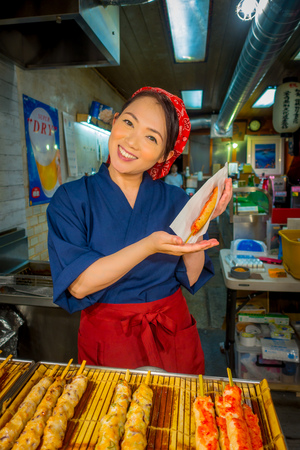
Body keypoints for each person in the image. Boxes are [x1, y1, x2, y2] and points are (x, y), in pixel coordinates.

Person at [47, 86, 232, 375]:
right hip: (109, 337)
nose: (132, 141)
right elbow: (80, 284)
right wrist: (149, 245)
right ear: (116, 120)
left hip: (171, 332)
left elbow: (191, 276)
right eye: (129, 123)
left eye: (151, 137)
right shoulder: (71, 199)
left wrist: (201, 223)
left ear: (164, 155)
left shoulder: (177, 201)